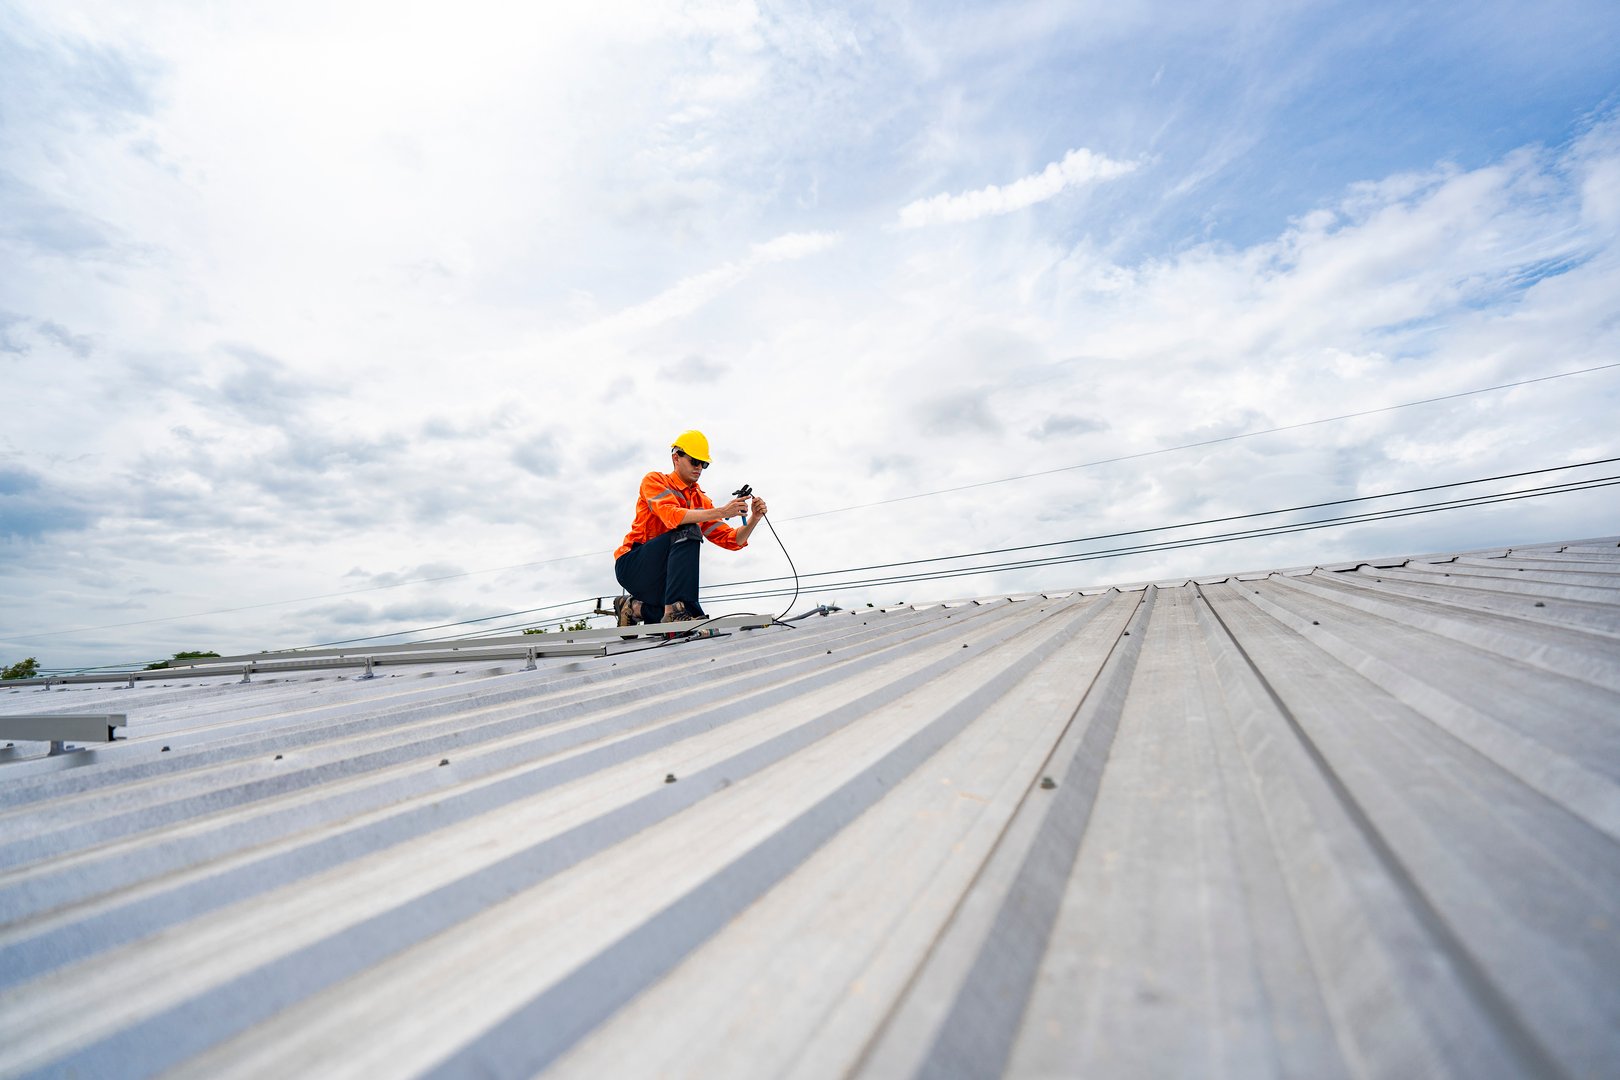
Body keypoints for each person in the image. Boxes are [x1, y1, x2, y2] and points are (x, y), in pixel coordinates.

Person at [613, 430, 768, 625]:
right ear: (676, 458)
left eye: (704, 464)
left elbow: (731, 539)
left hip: (666, 575)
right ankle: (674, 611)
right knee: (688, 530)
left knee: (694, 618)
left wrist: (755, 518)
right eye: (694, 461)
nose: (699, 468)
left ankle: (635, 609)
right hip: (633, 565)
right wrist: (721, 511)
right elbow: (673, 516)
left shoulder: (700, 500)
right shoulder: (655, 481)